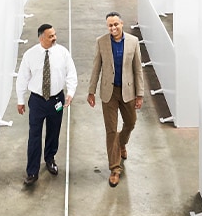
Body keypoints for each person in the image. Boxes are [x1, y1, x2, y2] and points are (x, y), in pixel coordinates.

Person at [86, 11, 144, 188]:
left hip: (128, 91)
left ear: (122, 23)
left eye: (115, 24)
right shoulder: (101, 42)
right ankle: (114, 169)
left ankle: (121, 144)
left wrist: (140, 94)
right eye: (110, 25)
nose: (113, 28)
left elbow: (137, 69)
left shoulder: (133, 42)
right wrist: (91, 91)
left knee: (131, 123)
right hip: (108, 93)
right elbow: (96, 68)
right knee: (111, 130)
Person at [16, 23, 77, 186]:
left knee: (53, 131)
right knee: (34, 135)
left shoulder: (62, 53)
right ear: (41, 38)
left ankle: (50, 158)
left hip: (56, 100)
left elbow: (71, 73)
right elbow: (22, 78)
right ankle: (32, 171)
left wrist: (70, 92)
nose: (54, 38)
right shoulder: (30, 55)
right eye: (51, 36)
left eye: (55, 34)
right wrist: (20, 100)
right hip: (37, 101)